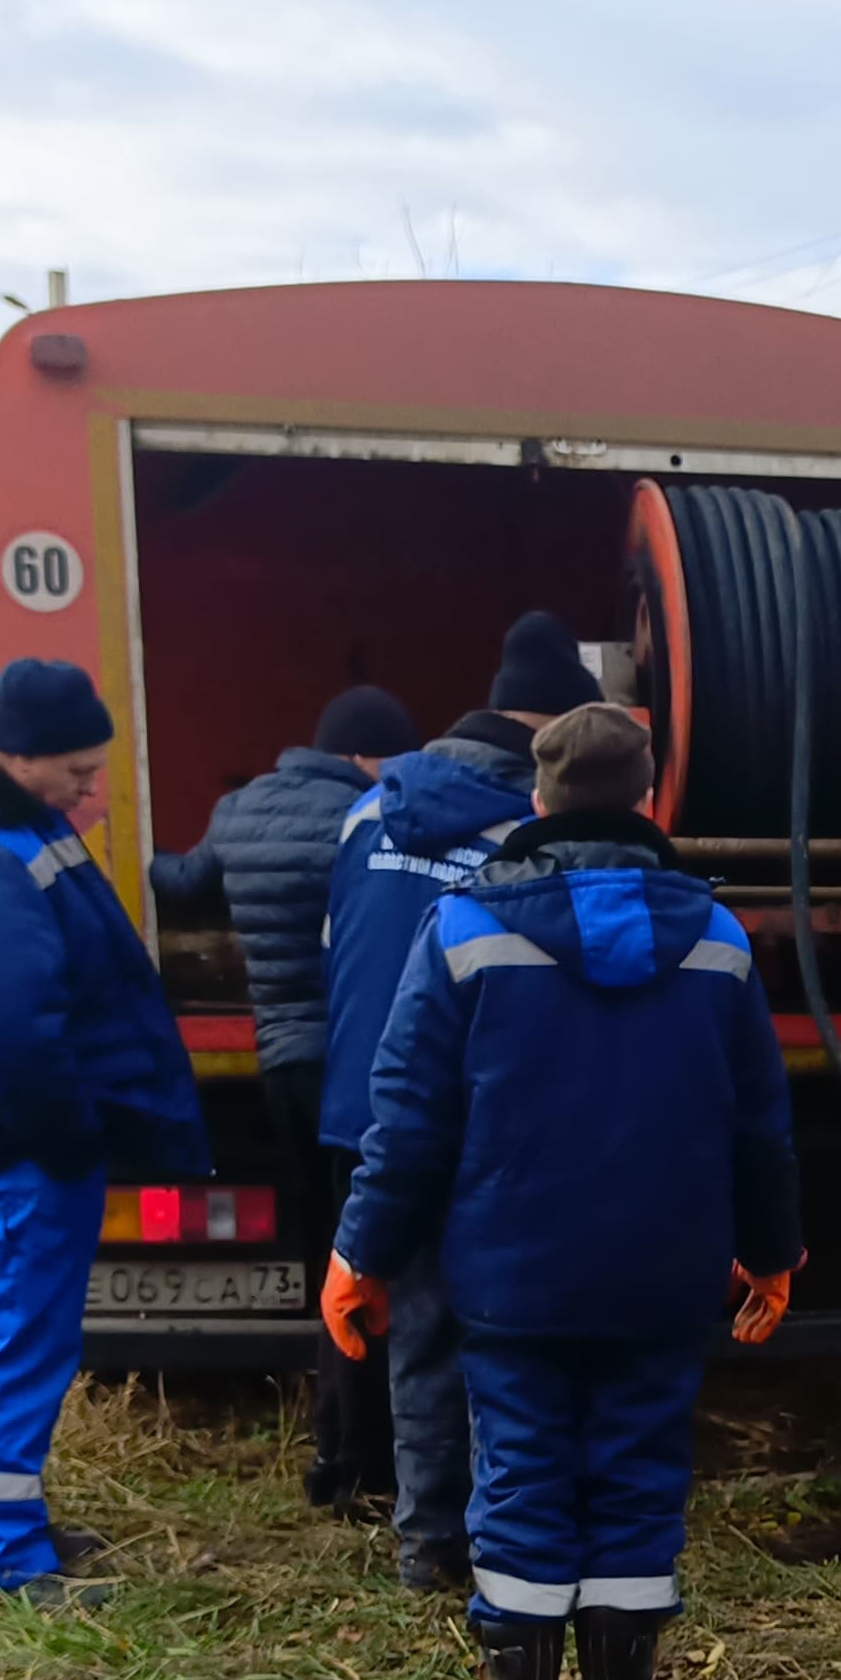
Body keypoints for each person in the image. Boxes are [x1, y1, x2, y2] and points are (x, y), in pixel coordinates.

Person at [322, 702, 801, 1680]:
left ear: (533, 803)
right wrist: (773, 1252)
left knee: (525, 1473)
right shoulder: (718, 942)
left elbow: (407, 1126)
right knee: (638, 1473)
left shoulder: (462, 931)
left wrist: (361, 1256)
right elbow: (761, 1126)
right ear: (648, 802)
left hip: (513, 1280)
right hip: (664, 1278)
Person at [0, 657, 208, 1605]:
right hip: (16, 1142)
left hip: (15, 1136)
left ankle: (15, 1530)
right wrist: (65, 1137)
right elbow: (8, 1026)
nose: (91, 792)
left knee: (32, 1338)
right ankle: (7, 1565)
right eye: (76, 774)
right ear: (16, 757)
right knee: (17, 1341)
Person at [320, 612, 596, 1592]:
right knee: (506, 1335)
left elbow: (338, 953)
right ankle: (499, 1542)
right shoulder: (533, 831)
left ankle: (426, 1543)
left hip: (370, 1102)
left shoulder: (371, 807)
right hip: (484, 1112)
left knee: (417, 1329)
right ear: (561, 725)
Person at [150, 683, 418, 1516]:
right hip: (350, 1063)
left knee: (321, 1258)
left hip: (279, 1065)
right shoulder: (365, 823)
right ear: (365, 756)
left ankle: (331, 1441)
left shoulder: (238, 810)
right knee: (368, 1259)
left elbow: (182, 881)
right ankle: (367, 1455)